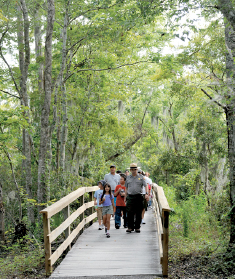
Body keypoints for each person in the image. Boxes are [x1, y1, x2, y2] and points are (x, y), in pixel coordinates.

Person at [124, 163, 148, 233]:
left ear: (137, 169)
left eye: (135, 169)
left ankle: (137, 227)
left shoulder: (141, 177)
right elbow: (126, 188)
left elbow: (146, 185)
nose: (133, 171)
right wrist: (125, 197)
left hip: (138, 196)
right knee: (129, 212)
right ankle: (130, 227)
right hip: (130, 196)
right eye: (132, 169)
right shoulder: (128, 177)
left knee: (138, 212)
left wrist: (147, 193)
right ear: (130, 170)